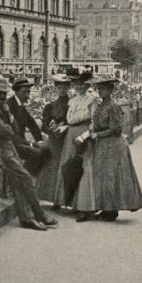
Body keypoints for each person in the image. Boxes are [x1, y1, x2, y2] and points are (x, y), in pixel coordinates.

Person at [0, 78, 58, 231]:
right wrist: (8, 124)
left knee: (18, 181)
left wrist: (8, 121)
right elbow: (4, 131)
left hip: (6, 147)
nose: (2, 96)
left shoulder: (2, 107)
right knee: (25, 177)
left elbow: (13, 128)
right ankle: (39, 215)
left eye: (4, 93)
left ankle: (27, 218)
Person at [85, 76, 142, 221]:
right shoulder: (100, 105)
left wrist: (96, 134)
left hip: (114, 145)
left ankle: (112, 211)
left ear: (110, 90)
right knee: (102, 176)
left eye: (104, 89)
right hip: (103, 144)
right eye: (99, 89)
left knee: (112, 176)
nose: (100, 92)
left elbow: (116, 129)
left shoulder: (113, 106)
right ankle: (105, 207)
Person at [55, 69, 98, 211]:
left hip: (83, 136)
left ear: (88, 85)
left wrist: (85, 136)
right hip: (70, 136)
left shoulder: (92, 100)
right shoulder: (72, 101)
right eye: (76, 84)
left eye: (82, 84)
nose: (79, 87)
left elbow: (94, 122)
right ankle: (65, 200)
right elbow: (70, 120)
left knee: (82, 168)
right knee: (68, 165)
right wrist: (65, 127)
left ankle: (82, 206)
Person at [37, 74, 71, 207]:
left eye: (64, 88)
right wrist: (51, 131)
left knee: (66, 166)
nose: (62, 90)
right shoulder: (50, 106)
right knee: (52, 167)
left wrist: (64, 127)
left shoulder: (72, 104)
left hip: (67, 138)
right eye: (59, 88)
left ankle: (64, 199)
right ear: (55, 89)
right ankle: (53, 198)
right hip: (54, 140)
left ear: (69, 88)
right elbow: (44, 125)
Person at [7, 78, 47, 176]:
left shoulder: (20, 105)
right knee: (37, 153)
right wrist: (31, 144)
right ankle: (23, 177)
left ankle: (25, 176)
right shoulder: (9, 105)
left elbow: (31, 124)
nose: (27, 95)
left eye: (29, 92)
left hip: (20, 143)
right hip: (10, 144)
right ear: (16, 92)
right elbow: (10, 133)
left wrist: (39, 140)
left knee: (46, 150)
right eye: (24, 92)